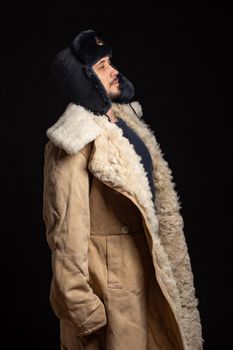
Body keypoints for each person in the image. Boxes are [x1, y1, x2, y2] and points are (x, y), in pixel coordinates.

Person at [43, 29, 203, 350]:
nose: (114, 71)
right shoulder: (74, 138)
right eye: (102, 66)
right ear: (82, 77)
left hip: (150, 281)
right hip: (113, 299)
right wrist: (86, 313)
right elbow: (65, 236)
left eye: (110, 63)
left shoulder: (127, 125)